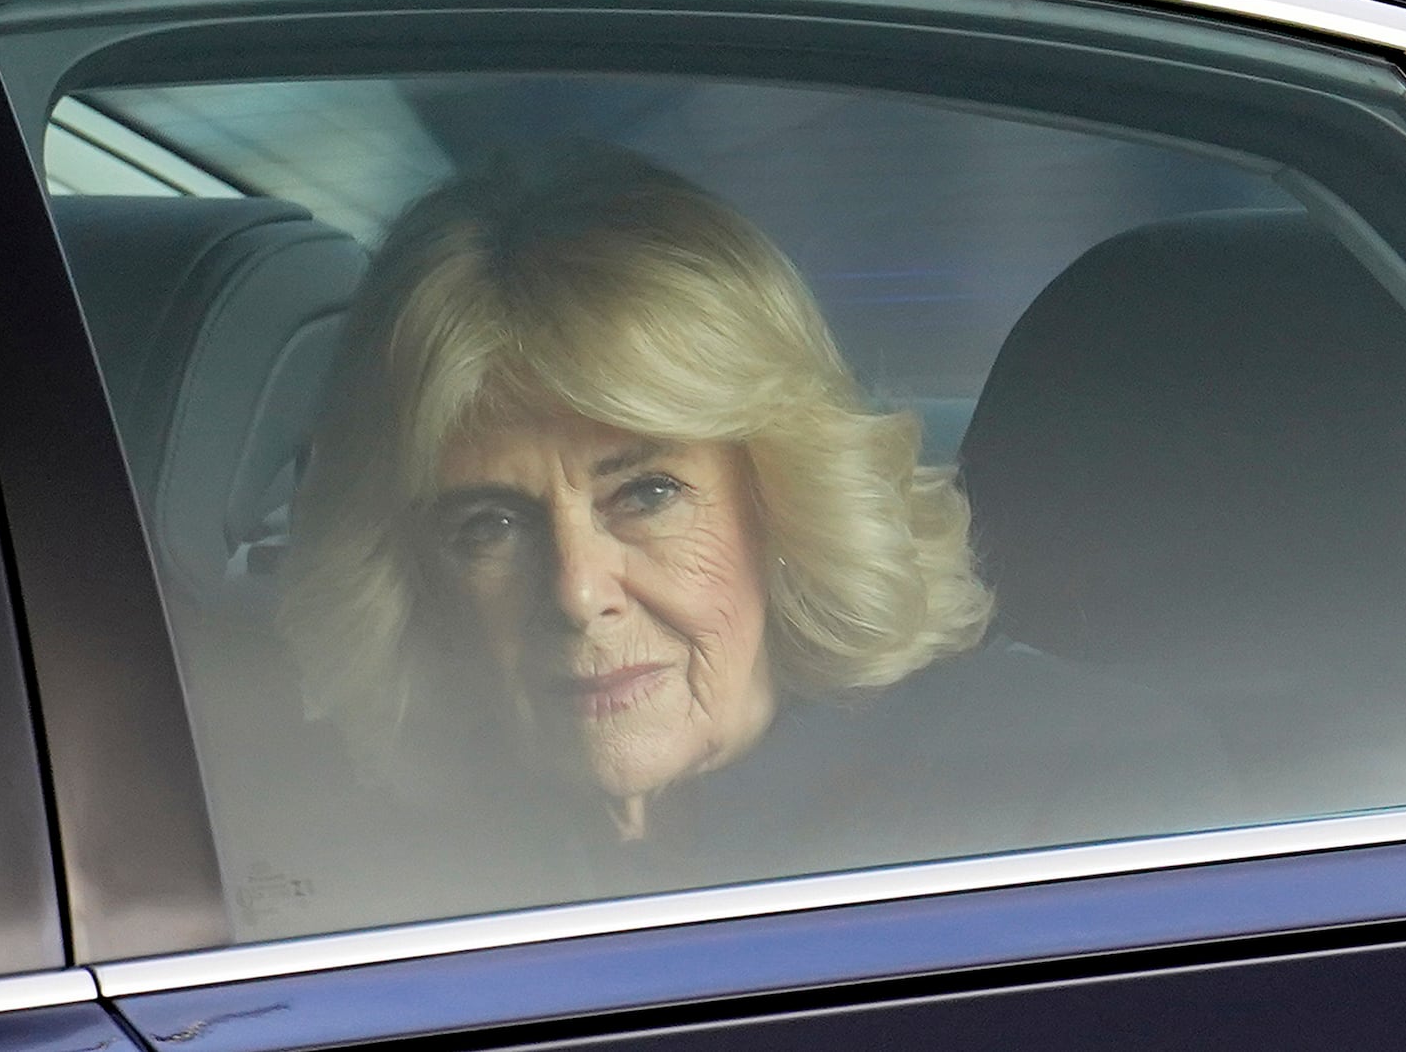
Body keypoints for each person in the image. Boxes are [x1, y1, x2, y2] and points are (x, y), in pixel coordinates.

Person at [280, 143, 1231, 911]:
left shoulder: (1076, 802)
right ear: (413, 578)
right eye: (490, 523)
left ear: (783, 500)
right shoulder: (339, 873)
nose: (576, 591)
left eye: (645, 492)